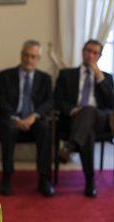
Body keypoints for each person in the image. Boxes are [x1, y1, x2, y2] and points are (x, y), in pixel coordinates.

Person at [54, 39, 114, 198]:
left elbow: (112, 103)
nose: (91, 55)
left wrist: (99, 77)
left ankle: (70, 146)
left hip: (100, 120)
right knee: (86, 132)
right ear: (83, 51)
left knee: (89, 111)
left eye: (95, 53)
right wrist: (73, 110)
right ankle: (90, 182)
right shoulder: (66, 74)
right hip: (74, 119)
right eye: (88, 51)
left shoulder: (106, 78)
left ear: (100, 56)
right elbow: (58, 100)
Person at [0, 40, 54, 197]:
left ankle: (44, 179)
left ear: (38, 59)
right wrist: (15, 118)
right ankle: (7, 177)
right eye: (26, 55)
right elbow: (0, 101)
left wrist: (33, 116)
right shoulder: (6, 75)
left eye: (33, 56)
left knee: (45, 128)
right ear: (21, 55)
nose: (29, 59)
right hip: (12, 119)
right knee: (8, 128)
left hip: (34, 120)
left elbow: (49, 102)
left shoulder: (45, 78)